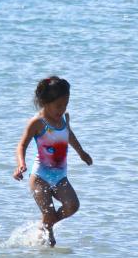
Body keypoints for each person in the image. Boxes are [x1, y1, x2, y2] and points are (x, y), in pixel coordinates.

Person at [13, 75, 92, 245]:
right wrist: (21, 164)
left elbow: (69, 135)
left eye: (65, 105)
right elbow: (21, 145)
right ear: (45, 103)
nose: (62, 110)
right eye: (58, 106)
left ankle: (45, 225)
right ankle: (46, 240)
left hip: (60, 177)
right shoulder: (37, 123)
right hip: (39, 177)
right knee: (49, 220)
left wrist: (81, 152)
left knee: (73, 205)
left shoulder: (64, 118)